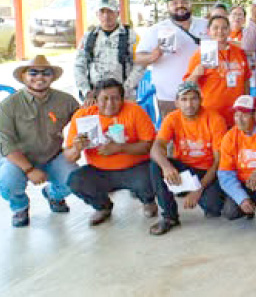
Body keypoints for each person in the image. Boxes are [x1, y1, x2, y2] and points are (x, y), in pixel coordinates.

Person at [0, 56, 80, 227]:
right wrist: (29, 169)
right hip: (18, 160)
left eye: (46, 73)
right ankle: (20, 207)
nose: (40, 77)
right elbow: (6, 145)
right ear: (23, 76)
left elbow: (82, 123)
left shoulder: (66, 101)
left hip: (53, 156)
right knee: (7, 181)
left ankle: (53, 195)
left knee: (75, 179)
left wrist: (77, 145)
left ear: (53, 77)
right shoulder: (8, 106)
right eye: (33, 73)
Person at [65, 79, 158, 226]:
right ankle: (103, 207)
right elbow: (69, 156)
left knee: (153, 173)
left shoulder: (135, 111)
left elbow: (149, 145)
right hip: (99, 170)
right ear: (96, 100)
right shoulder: (83, 116)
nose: (110, 103)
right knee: (75, 181)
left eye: (115, 98)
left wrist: (121, 148)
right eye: (104, 99)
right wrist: (77, 148)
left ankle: (148, 200)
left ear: (122, 99)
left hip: (135, 167)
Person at [148, 82, 227, 235]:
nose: (189, 104)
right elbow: (156, 148)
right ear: (176, 102)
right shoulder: (172, 118)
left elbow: (219, 162)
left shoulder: (215, 119)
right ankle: (169, 217)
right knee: (156, 164)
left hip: (207, 171)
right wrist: (167, 167)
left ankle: (191, 191)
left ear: (201, 100)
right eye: (184, 99)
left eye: (193, 99)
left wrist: (198, 189)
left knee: (214, 208)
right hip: (184, 168)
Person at [135, 0, 209, 120]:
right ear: (168, 7)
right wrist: (152, 56)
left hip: (203, 94)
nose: (180, 5)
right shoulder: (156, 29)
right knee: (171, 130)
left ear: (190, 4)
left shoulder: (206, 25)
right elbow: (137, 58)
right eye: (174, 3)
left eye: (184, 2)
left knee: (202, 131)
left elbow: (224, 44)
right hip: (169, 97)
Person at [217, 95, 256, 220]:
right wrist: (242, 198)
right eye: (236, 115)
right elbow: (225, 174)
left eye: (244, 115)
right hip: (244, 182)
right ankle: (250, 202)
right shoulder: (229, 138)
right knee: (231, 212)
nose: (239, 120)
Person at [185, 15, 252, 127]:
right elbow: (187, 86)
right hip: (211, 115)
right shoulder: (200, 54)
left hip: (236, 115)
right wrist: (195, 75)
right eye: (215, 28)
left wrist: (245, 105)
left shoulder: (239, 52)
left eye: (224, 28)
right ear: (209, 31)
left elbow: (246, 80)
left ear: (229, 30)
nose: (220, 31)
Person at [74, 0, 143, 104]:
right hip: (95, 98)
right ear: (97, 14)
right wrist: (86, 91)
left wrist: (125, 90)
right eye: (102, 12)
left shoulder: (131, 36)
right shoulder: (88, 37)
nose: (106, 16)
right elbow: (79, 66)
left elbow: (140, 65)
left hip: (124, 98)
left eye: (110, 11)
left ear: (117, 13)